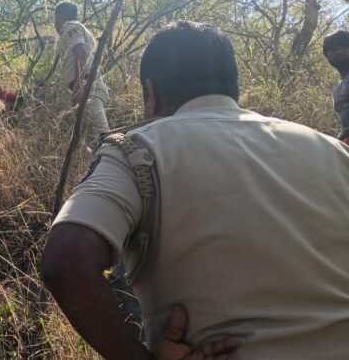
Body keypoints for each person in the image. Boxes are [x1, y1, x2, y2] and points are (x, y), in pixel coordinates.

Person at [42, 21, 349, 359]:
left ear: (151, 92)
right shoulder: (333, 150)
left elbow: (67, 257)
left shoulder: (136, 149)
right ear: (233, 88)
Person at [54, 1, 110, 136]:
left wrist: (79, 84)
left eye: (55, 19)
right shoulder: (82, 29)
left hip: (88, 89)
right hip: (93, 86)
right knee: (90, 138)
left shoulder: (70, 27)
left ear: (60, 17)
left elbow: (82, 52)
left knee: (105, 136)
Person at [323, 29, 349, 143]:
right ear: (328, 57)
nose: (338, 51)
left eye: (344, 46)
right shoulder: (338, 87)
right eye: (333, 49)